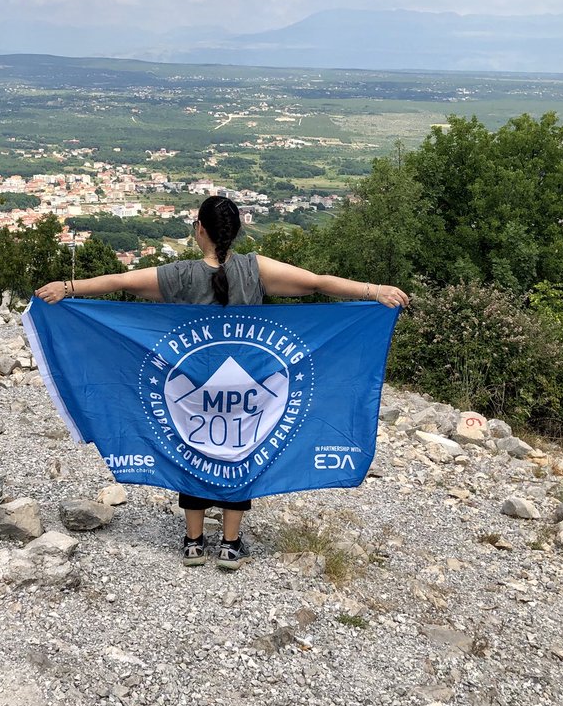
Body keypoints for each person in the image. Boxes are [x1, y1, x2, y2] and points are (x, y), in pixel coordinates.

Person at [34, 196, 408, 571]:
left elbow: (121, 283)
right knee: (241, 453)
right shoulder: (255, 269)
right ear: (236, 231)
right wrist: (373, 292)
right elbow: (316, 284)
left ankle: (193, 542)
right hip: (247, 390)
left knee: (191, 451)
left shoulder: (179, 275)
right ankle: (230, 544)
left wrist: (68, 288)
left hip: (193, 392)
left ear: (200, 229)